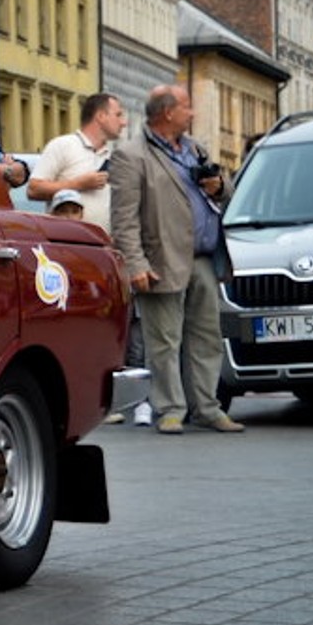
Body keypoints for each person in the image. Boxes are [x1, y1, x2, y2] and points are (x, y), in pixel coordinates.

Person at [109, 85, 243, 435]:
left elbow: (226, 192)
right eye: (187, 107)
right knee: (164, 342)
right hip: (162, 260)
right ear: (168, 112)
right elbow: (123, 219)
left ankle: (207, 408)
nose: (192, 113)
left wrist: (218, 187)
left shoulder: (195, 148)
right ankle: (170, 409)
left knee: (207, 337)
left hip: (203, 258)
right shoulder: (131, 156)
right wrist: (135, 264)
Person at [27, 91, 125, 227]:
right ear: (101, 116)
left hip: (103, 238)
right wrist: (77, 184)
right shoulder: (63, 146)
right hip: (68, 237)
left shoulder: (115, 156)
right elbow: (33, 190)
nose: (123, 123)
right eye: (118, 115)